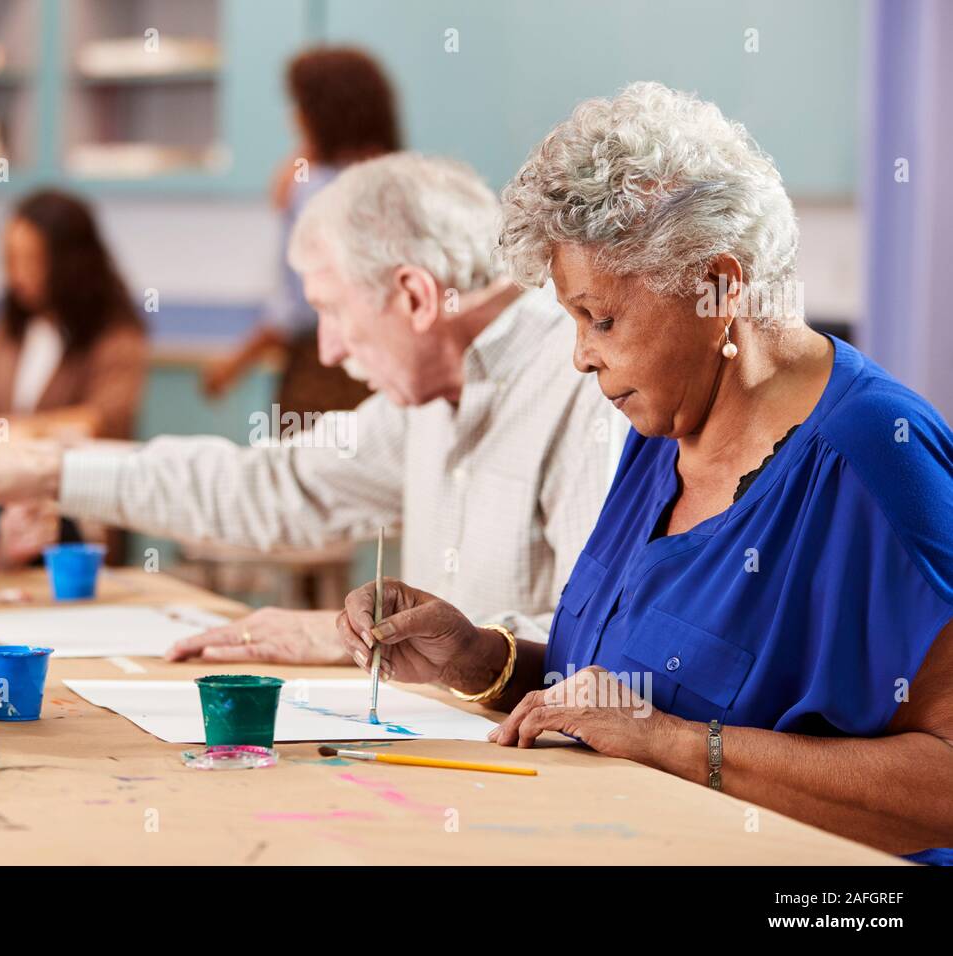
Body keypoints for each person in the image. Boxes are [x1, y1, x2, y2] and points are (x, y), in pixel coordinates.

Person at [334, 83, 953, 864]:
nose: (581, 355)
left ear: (721, 287)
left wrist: (679, 747)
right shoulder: (663, 430)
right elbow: (618, 691)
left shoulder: (874, 457)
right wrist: (478, 661)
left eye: (602, 318)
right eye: (573, 320)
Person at [0, 153, 623, 664]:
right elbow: (269, 486)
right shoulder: (427, 402)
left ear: (413, 296)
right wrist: (48, 472)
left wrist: (342, 636)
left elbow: (596, 639)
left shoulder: (584, 388)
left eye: (330, 310)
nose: (328, 349)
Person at [201, 46, 400, 416]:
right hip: (388, 371)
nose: (293, 119)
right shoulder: (396, 180)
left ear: (321, 114)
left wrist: (237, 361)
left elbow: (300, 307)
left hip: (322, 373)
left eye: (300, 106)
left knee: (302, 469)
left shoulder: (315, 190)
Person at [0, 190, 147, 567]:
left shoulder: (115, 335)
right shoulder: (11, 331)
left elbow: (100, 421)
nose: (16, 274)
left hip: (79, 523)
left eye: (30, 260)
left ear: (68, 262)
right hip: (9, 516)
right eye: (10, 259)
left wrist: (19, 432)